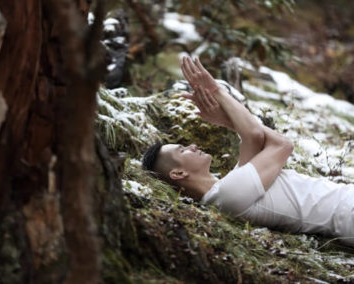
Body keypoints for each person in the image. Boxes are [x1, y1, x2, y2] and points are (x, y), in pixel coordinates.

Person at [142, 56, 354, 247]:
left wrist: (227, 121)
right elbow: (282, 145)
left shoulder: (228, 187)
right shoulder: (228, 196)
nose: (192, 146)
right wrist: (217, 92)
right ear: (178, 173)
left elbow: (252, 136)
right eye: (182, 150)